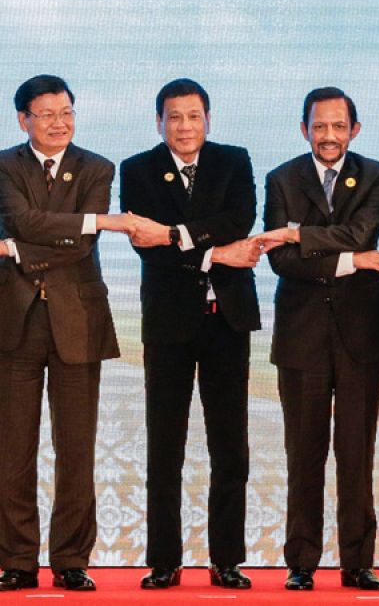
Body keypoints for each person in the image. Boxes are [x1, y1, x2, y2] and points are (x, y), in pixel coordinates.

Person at [0, 75, 128, 593]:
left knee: (76, 446)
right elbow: (19, 217)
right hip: (13, 319)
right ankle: (16, 560)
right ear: (23, 120)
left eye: (67, 112)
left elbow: (77, 244)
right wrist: (79, 223)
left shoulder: (98, 168)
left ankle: (70, 559)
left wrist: (14, 249)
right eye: (47, 115)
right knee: (13, 446)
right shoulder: (2, 164)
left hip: (77, 318)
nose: (60, 123)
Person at [119, 78, 262, 591]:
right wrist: (218, 252)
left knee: (231, 447)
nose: (185, 126)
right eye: (174, 117)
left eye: (194, 116)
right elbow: (146, 245)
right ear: (159, 122)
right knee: (166, 444)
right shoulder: (136, 169)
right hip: (169, 322)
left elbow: (239, 218)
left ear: (208, 119)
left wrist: (178, 235)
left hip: (228, 318)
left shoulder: (234, 161)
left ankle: (227, 559)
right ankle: (164, 559)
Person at [254, 87, 379, 593]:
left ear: (354, 130)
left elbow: (363, 232)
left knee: (357, 453)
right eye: (319, 127)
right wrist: (347, 260)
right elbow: (279, 260)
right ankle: (302, 562)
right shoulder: (280, 179)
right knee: (304, 452)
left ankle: (358, 562)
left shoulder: (378, 175)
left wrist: (298, 233)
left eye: (339, 127)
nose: (329, 136)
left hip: (363, 331)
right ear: (304, 129)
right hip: (302, 333)